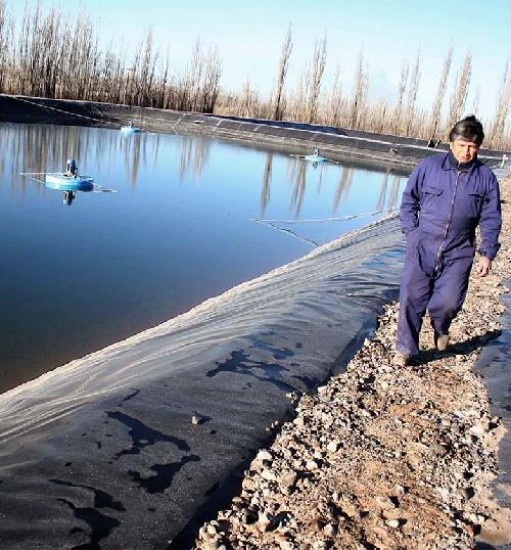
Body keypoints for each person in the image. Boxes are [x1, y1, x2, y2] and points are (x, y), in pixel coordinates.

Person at [394, 115, 502, 366]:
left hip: (459, 249)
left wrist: (487, 253)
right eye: (463, 144)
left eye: (473, 146)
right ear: (451, 143)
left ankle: (441, 326)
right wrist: (411, 233)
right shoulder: (429, 167)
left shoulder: (485, 177)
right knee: (411, 298)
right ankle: (406, 350)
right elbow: (409, 200)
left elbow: (491, 218)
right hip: (422, 244)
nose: (467, 151)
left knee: (448, 302)